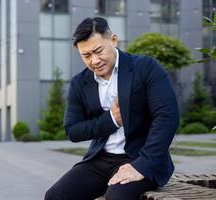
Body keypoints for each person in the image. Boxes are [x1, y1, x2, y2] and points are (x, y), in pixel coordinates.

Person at [45, 17, 180, 200]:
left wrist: (142, 165)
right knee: (55, 196)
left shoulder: (146, 67)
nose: (94, 61)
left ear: (113, 40)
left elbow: (167, 117)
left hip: (141, 157)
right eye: (86, 55)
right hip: (100, 159)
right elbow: (73, 130)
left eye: (98, 51)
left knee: (117, 197)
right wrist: (112, 119)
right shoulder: (80, 83)